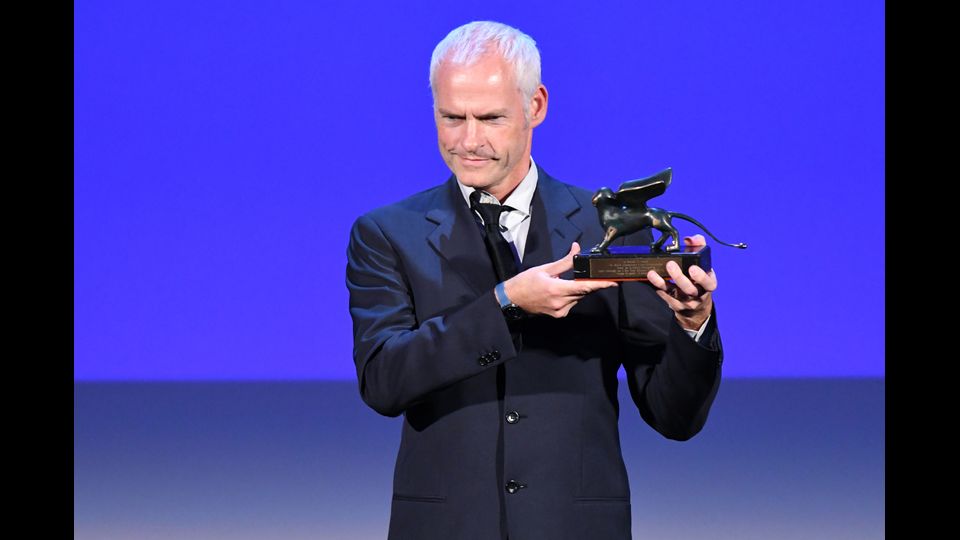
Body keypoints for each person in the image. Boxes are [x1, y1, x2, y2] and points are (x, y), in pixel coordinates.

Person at [346, 20, 722, 540]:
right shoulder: (388, 233)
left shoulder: (602, 226)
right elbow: (384, 382)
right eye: (451, 117)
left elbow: (673, 416)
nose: (468, 140)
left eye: (490, 118)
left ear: (536, 106)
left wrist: (693, 323)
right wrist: (506, 304)